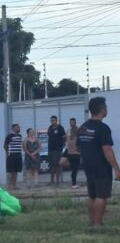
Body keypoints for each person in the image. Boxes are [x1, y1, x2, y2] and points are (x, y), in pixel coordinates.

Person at [76, 96, 120, 228]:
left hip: (88, 166)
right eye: (105, 107)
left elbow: (78, 146)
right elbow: (107, 150)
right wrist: (116, 168)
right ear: (101, 109)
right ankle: (97, 223)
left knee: (92, 196)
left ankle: (91, 221)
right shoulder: (103, 128)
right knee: (101, 196)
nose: (106, 109)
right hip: (101, 167)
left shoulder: (83, 127)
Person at [46, 115, 66, 186]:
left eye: (53, 120)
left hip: (57, 150)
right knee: (52, 165)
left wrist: (62, 145)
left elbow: (64, 137)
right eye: (51, 121)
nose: (52, 122)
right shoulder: (50, 128)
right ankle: (51, 181)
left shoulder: (60, 128)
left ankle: (57, 181)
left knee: (57, 165)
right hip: (51, 149)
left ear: (56, 120)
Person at [3, 123, 23, 190]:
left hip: (18, 155)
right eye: (17, 127)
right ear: (13, 129)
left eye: (19, 127)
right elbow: (5, 145)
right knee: (10, 171)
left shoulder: (20, 136)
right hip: (11, 155)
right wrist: (8, 153)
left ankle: (14, 186)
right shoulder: (9, 136)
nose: (19, 128)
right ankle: (8, 187)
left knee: (16, 171)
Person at [65, 117, 81, 189]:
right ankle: (73, 182)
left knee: (75, 168)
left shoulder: (78, 130)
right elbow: (66, 140)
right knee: (73, 168)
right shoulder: (68, 130)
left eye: (73, 122)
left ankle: (74, 183)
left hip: (77, 152)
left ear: (75, 122)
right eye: (70, 122)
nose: (71, 124)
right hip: (69, 152)